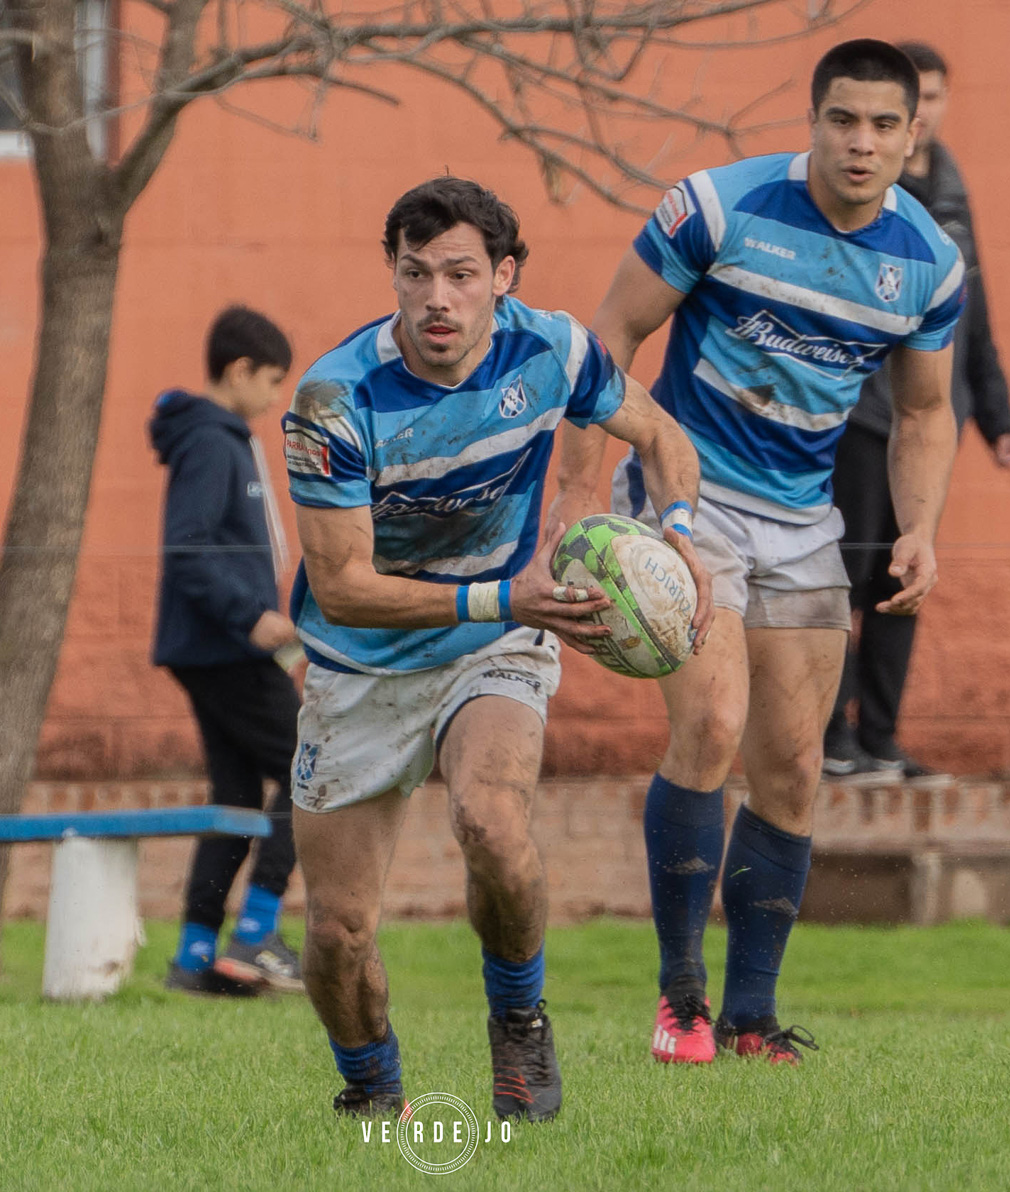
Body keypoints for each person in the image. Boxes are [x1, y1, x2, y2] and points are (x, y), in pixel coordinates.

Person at [554, 39, 964, 1067]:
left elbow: (923, 412)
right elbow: (610, 339)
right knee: (714, 722)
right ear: (812, 120)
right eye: (842, 120)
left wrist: (919, 525)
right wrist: (583, 492)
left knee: (790, 764)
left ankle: (750, 1018)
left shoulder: (928, 263)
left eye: (882, 125)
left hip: (806, 520)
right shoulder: (715, 209)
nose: (860, 143)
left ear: (913, 136)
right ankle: (680, 999)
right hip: (690, 498)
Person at [283, 177, 712, 1120]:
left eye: (463, 274)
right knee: (339, 930)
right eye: (416, 273)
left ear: (504, 276)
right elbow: (343, 585)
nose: (438, 297)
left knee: (492, 821)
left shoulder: (552, 349)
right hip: (360, 666)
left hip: (499, 644)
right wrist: (498, 593)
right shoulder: (332, 401)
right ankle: (373, 1091)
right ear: (392, 275)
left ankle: (518, 1021)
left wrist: (677, 529)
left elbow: (661, 432)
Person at [823, 40, 1010, 788]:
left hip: (931, 421)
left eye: (936, 99)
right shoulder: (864, 192)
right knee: (838, 582)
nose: (925, 116)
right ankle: (828, 739)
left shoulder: (950, 187)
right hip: (861, 419)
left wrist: (997, 413)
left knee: (903, 582)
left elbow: (973, 311)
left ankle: (879, 740)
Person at [151, 306, 306, 997]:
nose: (276, 398)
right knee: (313, 772)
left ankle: (193, 953)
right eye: (273, 382)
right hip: (225, 645)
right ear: (239, 371)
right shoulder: (213, 442)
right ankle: (255, 935)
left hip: (213, 647)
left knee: (240, 796)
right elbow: (187, 548)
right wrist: (254, 619)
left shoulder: (221, 438)